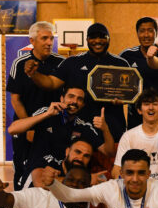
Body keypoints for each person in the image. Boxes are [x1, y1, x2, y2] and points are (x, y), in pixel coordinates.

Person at [25, 22, 131, 140]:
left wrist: (124, 100)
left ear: (109, 39)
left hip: (112, 127)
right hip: (79, 130)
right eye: (93, 37)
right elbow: (51, 83)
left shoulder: (121, 64)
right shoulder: (72, 62)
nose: (97, 41)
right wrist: (34, 74)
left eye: (102, 37)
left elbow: (130, 93)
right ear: (86, 39)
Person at [8, 87, 114, 188]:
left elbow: (108, 151)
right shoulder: (47, 112)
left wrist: (105, 129)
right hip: (37, 177)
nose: (74, 101)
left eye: (79, 99)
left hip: (64, 183)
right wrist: (47, 114)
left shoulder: (84, 126)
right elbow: (12, 129)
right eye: (71, 96)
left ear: (82, 105)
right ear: (62, 99)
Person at [7, 21, 64, 189]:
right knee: (22, 167)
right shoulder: (20, 63)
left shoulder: (61, 62)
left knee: (49, 169)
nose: (49, 42)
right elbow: (15, 100)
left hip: (52, 125)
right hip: (26, 124)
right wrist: (29, 127)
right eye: (44, 38)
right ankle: (18, 206)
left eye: (51, 38)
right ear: (32, 41)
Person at [119, 17, 158, 130]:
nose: (146, 35)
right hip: (135, 115)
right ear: (137, 33)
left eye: (150, 30)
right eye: (142, 31)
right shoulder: (126, 56)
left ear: (156, 33)